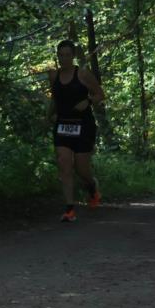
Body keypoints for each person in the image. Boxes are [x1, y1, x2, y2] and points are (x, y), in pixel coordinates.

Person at [47, 40, 106, 222]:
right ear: (57, 56)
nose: (64, 58)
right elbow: (55, 99)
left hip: (83, 125)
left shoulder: (82, 74)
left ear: (73, 56)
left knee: (81, 169)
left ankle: (92, 187)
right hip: (63, 125)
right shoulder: (54, 76)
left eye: (67, 55)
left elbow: (100, 94)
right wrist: (48, 116)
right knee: (64, 163)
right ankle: (69, 209)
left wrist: (87, 101)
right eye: (61, 55)